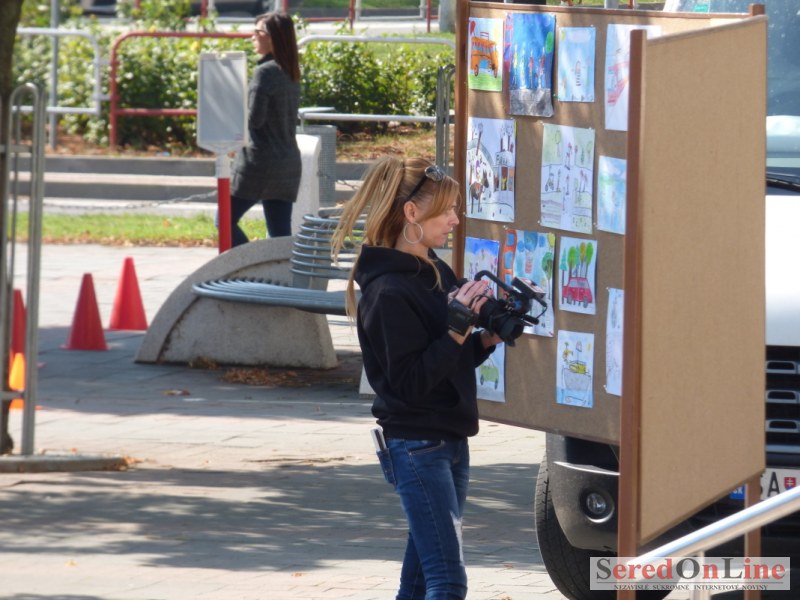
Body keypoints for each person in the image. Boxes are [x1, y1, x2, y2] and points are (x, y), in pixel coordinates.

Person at [331, 157, 504, 600]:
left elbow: (445, 362)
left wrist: (484, 339)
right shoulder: (387, 292)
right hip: (417, 445)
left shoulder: (434, 271)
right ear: (411, 213)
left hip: (450, 439)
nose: (455, 220)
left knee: (420, 582)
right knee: (448, 583)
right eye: (446, 211)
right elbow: (409, 384)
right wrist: (457, 330)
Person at [229, 12, 301, 246]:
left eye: (257, 32)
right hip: (288, 164)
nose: (252, 36)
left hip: (259, 163)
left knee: (224, 221)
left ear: (272, 37)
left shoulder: (265, 72)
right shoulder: (290, 71)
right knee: (279, 236)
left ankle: (249, 263)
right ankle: (280, 271)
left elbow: (255, 120)